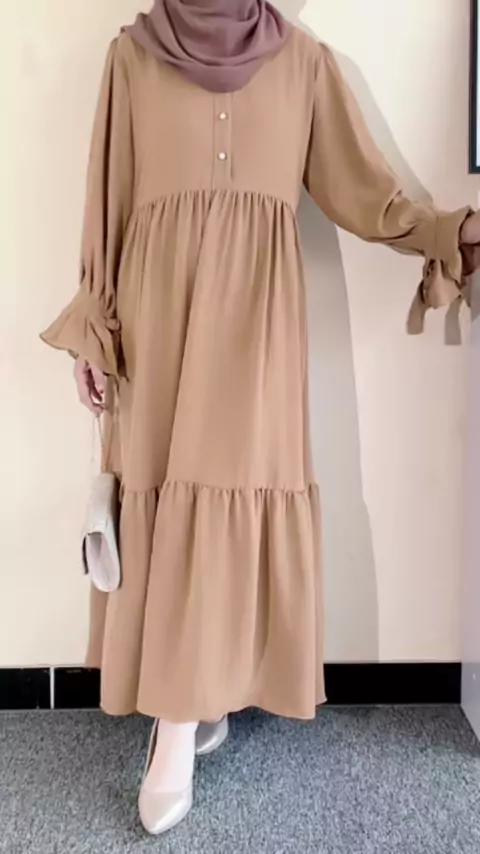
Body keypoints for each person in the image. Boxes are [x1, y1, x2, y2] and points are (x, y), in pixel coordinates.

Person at [41, 0, 480, 836]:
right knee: (170, 490)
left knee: (234, 490)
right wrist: (94, 326)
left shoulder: (303, 63)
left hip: (257, 329)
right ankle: (180, 715)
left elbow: (367, 192)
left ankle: (193, 706)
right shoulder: (132, 58)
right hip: (161, 321)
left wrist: (442, 234)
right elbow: (108, 201)